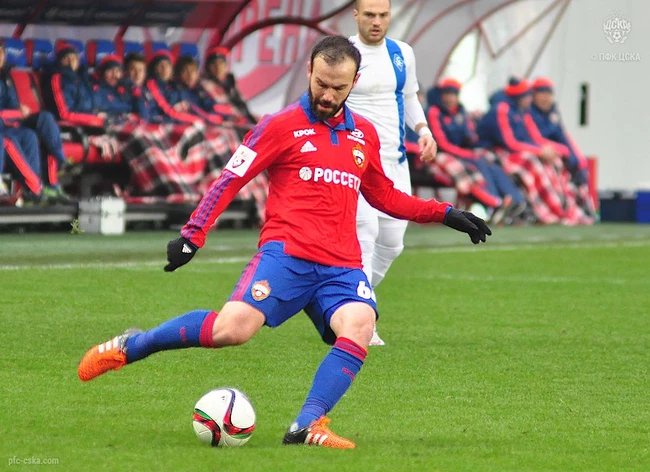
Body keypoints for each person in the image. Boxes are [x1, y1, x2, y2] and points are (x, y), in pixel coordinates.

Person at [77, 36, 491, 449]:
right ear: (309, 71)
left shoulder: (363, 134)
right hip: (287, 255)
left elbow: (384, 195)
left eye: (339, 87)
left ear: (354, 82)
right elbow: (231, 178)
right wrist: (192, 234)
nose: (327, 95)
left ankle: (307, 425)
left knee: (361, 324)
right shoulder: (279, 125)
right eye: (321, 83)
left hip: (341, 266)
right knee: (232, 330)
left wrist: (445, 213)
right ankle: (133, 345)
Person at [346, 0, 437, 346]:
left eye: (383, 15)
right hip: (356, 164)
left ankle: (346, 297)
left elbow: (409, 97)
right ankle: (363, 321)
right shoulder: (341, 53)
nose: (377, 22)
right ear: (356, 15)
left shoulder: (402, 53)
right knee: (365, 237)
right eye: (369, 15)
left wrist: (424, 130)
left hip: (395, 163)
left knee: (393, 243)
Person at [477, 77, 591, 225]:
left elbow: (535, 138)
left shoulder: (522, 111)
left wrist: (558, 151)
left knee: (554, 163)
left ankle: (568, 210)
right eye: (529, 95)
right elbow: (509, 143)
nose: (531, 99)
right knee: (533, 165)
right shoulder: (502, 109)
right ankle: (544, 212)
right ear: (521, 96)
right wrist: (539, 152)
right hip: (494, 154)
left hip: (515, 153)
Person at [427, 78, 527, 223]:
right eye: (447, 94)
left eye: (453, 94)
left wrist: (472, 142)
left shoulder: (461, 112)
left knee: (490, 161)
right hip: (441, 155)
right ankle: (494, 203)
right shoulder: (434, 112)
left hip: (464, 153)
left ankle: (515, 201)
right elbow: (441, 143)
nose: (450, 98)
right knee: (472, 168)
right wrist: (467, 153)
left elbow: (472, 137)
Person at [0, 39, 72, 203]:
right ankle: (36, 188)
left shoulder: (5, 77)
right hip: (5, 125)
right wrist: (15, 112)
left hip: (11, 122)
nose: (0, 57)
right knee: (22, 137)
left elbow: (12, 103)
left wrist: (19, 109)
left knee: (43, 121)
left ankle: (61, 162)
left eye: (1, 53)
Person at [529, 77, 595, 218]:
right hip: (543, 154)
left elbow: (563, 136)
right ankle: (557, 210)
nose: (545, 98)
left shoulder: (553, 113)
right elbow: (533, 138)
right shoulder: (529, 113)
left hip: (557, 154)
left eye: (548, 94)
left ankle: (584, 208)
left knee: (580, 169)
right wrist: (561, 151)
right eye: (541, 93)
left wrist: (576, 159)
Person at [202, 46, 257, 125]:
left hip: (241, 121)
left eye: (221, 63)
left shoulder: (231, 82)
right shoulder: (205, 85)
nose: (218, 67)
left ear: (225, 66)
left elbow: (242, 105)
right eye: (214, 64)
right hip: (223, 124)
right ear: (208, 67)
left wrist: (251, 119)